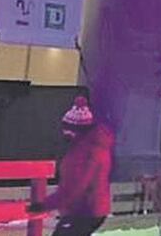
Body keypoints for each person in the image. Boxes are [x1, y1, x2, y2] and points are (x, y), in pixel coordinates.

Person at [28, 95, 114, 236]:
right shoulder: (93, 145)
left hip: (83, 210)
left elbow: (74, 187)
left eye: (67, 128)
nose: (64, 132)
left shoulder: (84, 153)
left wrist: (45, 205)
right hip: (92, 208)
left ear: (76, 130)